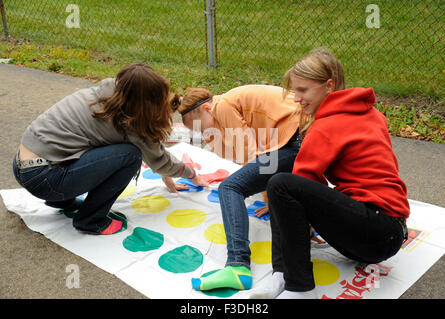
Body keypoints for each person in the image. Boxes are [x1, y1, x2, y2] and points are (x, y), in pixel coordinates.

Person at [258, 49, 410, 299]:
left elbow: (300, 185)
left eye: (303, 90)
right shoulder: (373, 114)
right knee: (286, 184)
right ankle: (283, 275)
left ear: (328, 85)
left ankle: (292, 283)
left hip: (373, 230)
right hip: (390, 234)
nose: (296, 98)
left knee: (279, 183)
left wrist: (294, 222)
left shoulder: (325, 126)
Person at [12, 63, 207, 235]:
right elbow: (160, 160)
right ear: (145, 104)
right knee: (130, 156)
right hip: (45, 179)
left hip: (23, 166)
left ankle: (63, 201)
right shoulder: (130, 122)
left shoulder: (103, 95)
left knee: (94, 148)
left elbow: (157, 157)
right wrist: (190, 174)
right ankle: (90, 220)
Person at [168, 85, 308, 291]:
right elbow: (254, 157)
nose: (202, 134)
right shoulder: (224, 104)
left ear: (207, 109)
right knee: (238, 183)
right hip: (292, 138)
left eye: (200, 128)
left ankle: (237, 265)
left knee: (229, 188)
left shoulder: (221, 106)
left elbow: (252, 156)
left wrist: (270, 198)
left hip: (296, 141)